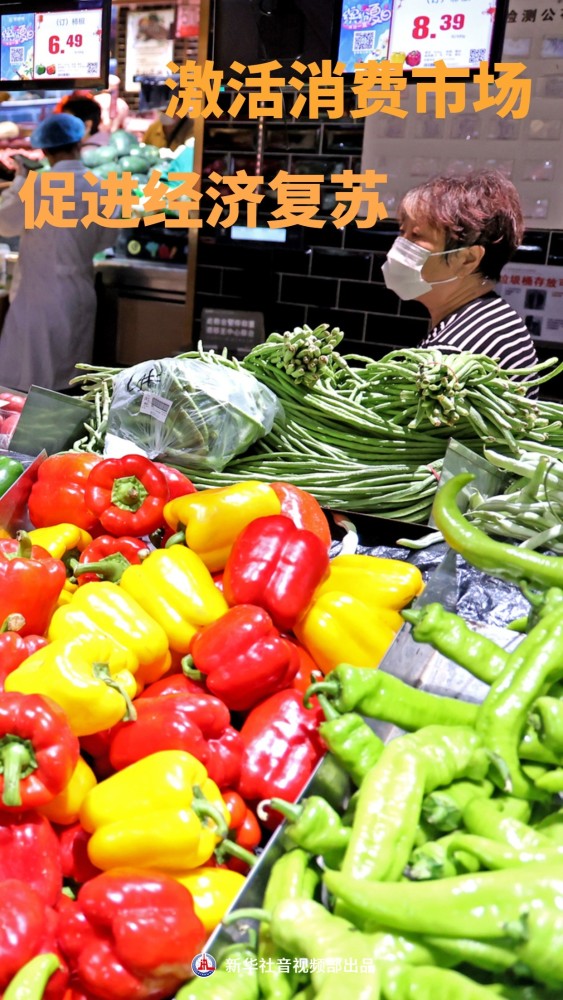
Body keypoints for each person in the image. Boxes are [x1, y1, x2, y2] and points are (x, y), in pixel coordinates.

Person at [382, 170, 539, 392]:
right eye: (402, 232)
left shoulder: (450, 361)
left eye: (416, 236)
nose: (398, 247)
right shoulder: (493, 315)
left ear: (468, 259)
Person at [0, 113, 115, 393]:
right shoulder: (105, 189)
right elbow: (105, 241)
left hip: (36, 302)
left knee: (25, 390)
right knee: (70, 391)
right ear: (79, 143)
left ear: (46, 151)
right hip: (78, 297)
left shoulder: (36, 187)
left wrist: (19, 181)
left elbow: (5, 223)